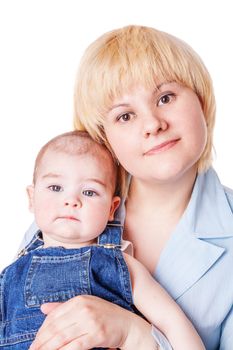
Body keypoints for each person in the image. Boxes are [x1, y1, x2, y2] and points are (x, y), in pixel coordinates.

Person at [24, 25, 233, 350]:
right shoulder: (66, 214)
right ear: (103, 138)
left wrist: (134, 335)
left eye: (166, 97)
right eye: (125, 116)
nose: (153, 124)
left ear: (202, 101)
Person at [0, 130, 205, 350]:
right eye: (55, 188)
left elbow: (172, 321)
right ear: (32, 198)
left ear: (111, 208)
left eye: (89, 192)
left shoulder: (119, 265)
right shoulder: (10, 276)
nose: (71, 200)